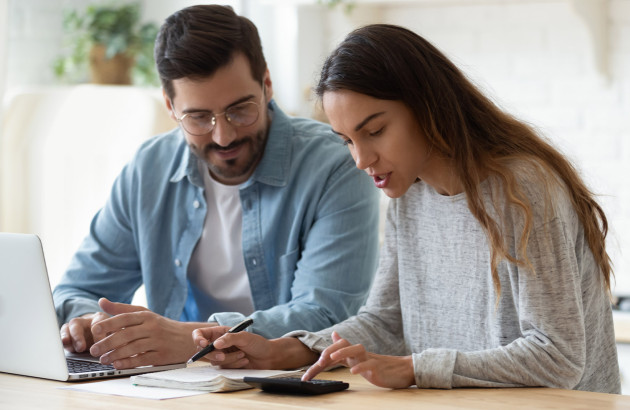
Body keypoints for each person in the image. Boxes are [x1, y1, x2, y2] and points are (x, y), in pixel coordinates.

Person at [190, 24, 621, 394]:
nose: (361, 159)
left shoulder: (521, 188)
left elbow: (558, 357)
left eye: (374, 130)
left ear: (426, 107)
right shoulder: (408, 194)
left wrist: (416, 369)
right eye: (347, 140)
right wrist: (288, 349)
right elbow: (387, 321)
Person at [52, 5, 380, 370]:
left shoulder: (336, 165)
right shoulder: (149, 168)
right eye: (198, 117)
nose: (223, 135)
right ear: (170, 106)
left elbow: (326, 314)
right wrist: (91, 324)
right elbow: (75, 290)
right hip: (174, 384)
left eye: (240, 110)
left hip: (286, 382)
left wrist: (190, 338)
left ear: (267, 84)